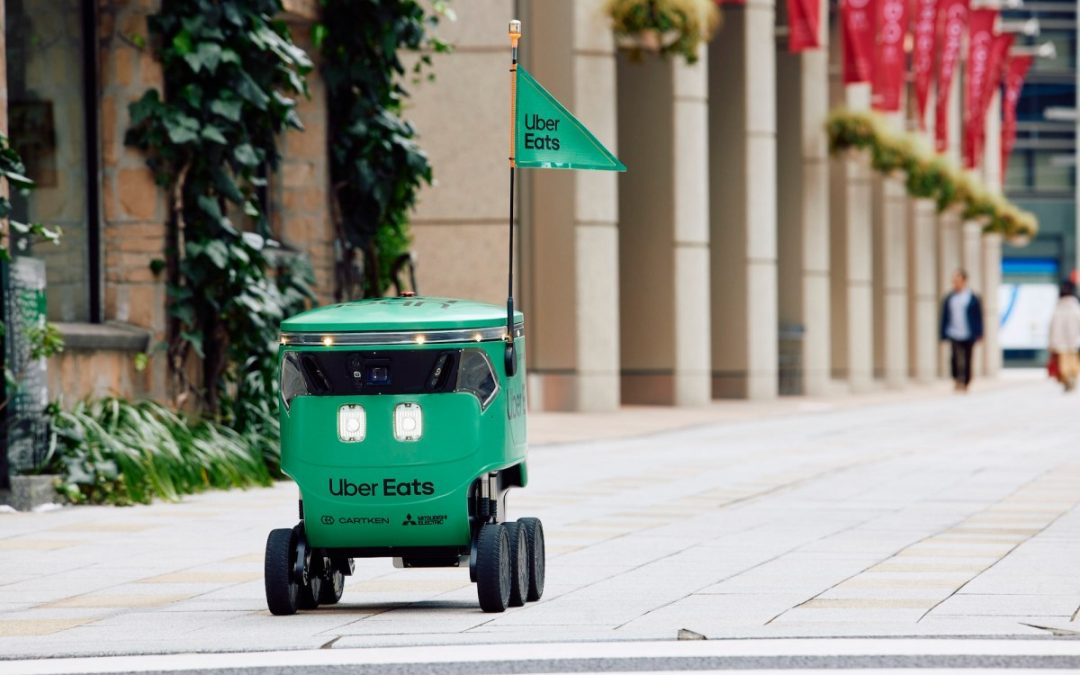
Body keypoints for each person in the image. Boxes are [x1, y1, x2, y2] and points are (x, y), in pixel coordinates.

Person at [940, 270, 984, 392]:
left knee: (968, 358)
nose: (955, 283)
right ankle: (957, 379)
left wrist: (979, 333)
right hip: (953, 332)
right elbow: (944, 316)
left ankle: (966, 381)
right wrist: (942, 333)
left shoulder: (972, 297)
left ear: (964, 281)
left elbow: (978, 316)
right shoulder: (949, 298)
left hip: (969, 333)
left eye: (957, 280)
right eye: (954, 281)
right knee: (954, 358)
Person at [1048, 280, 1080, 392]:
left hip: (1060, 343)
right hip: (1075, 342)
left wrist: (1051, 343)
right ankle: (1072, 378)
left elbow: (1052, 328)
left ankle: (1067, 380)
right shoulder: (1076, 308)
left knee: (1063, 365)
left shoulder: (1058, 309)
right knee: (1074, 363)